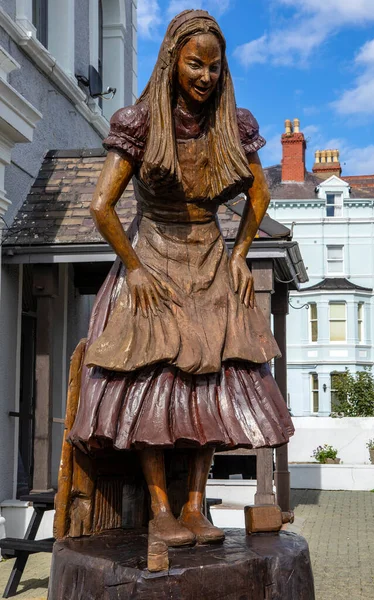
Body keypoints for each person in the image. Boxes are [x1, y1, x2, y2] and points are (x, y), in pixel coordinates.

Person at [68, 9, 294, 547]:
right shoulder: (140, 122)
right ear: (173, 60)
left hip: (211, 261)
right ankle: (160, 508)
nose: (205, 78)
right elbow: (102, 206)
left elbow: (258, 195)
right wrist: (135, 267)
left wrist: (240, 253)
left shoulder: (233, 125)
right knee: (155, 382)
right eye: (196, 65)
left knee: (212, 384)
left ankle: (196, 506)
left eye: (215, 68)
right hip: (157, 256)